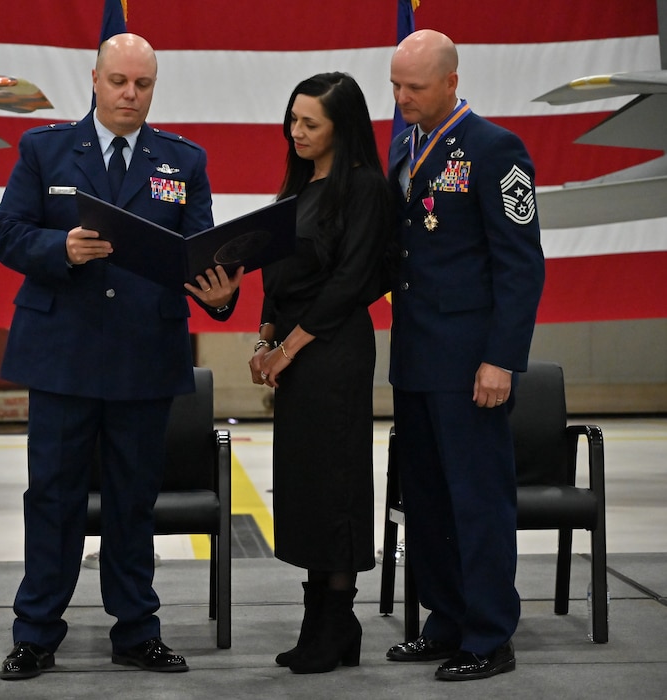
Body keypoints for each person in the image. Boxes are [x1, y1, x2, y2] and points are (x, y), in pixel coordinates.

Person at [0, 33, 242, 681]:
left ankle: (136, 629)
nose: (131, 94)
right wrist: (60, 249)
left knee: (134, 499)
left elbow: (200, 249)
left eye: (144, 84)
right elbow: (8, 234)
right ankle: (36, 633)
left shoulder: (181, 160)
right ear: (95, 80)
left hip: (143, 356)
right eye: (120, 81)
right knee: (53, 498)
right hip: (61, 357)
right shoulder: (44, 149)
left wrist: (220, 293)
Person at [383, 30, 545, 680]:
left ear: (451, 81)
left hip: (472, 363)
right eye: (396, 85)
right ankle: (444, 621)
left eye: (414, 87)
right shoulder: (406, 147)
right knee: (425, 500)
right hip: (417, 358)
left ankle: (487, 635)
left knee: (477, 500)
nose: (402, 98)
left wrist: (501, 358)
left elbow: (520, 266)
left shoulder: (497, 150)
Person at [250, 73, 393, 674]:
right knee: (307, 487)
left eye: (311, 123)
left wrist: (289, 349)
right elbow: (277, 266)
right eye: (293, 119)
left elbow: (350, 283)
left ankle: (337, 620)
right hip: (296, 350)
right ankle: (322, 621)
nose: (297, 131)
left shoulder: (362, 187)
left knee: (335, 484)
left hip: (332, 352)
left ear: (343, 126)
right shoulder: (298, 183)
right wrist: (264, 339)